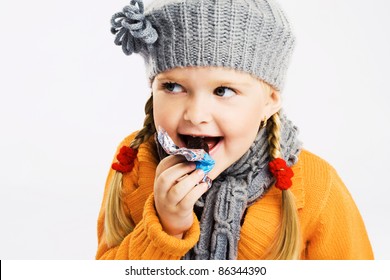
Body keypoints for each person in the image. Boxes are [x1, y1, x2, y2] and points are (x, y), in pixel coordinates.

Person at [96, 0, 374, 260]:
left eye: (223, 90)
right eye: (172, 87)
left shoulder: (315, 185)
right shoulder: (133, 162)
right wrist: (165, 229)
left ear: (269, 102)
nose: (196, 115)